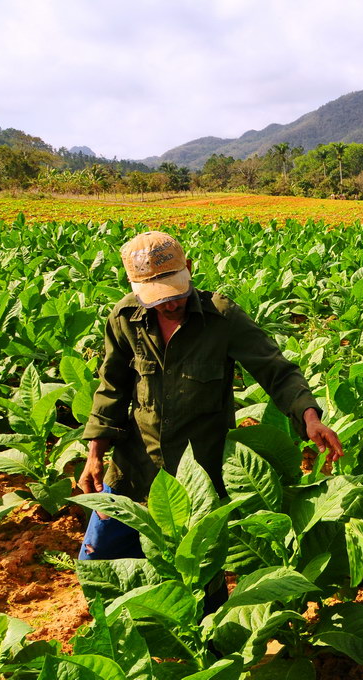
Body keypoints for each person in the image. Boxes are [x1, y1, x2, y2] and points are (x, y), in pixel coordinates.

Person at [78, 230, 343, 560]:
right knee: (101, 561)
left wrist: (309, 416)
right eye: (156, 297)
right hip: (136, 467)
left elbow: (276, 370)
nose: (170, 303)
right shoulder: (125, 318)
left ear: (189, 268)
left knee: (198, 571)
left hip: (201, 474)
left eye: (175, 291)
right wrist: (95, 454)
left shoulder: (222, 318)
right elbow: (112, 388)